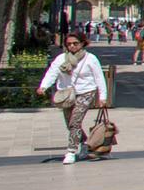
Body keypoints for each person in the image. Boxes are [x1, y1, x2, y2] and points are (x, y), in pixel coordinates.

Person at [37, 30, 109, 165]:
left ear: (82, 43)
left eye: (75, 43)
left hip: (86, 92)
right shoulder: (61, 59)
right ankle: (84, 142)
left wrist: (102, 97)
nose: (72, 46)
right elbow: (52, 73)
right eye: (69, 44)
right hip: (67, 94)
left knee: (75, 122)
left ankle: (71, 151)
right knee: (70, 124)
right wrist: (44, 86)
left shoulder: (90, 59)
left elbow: (99, 78)